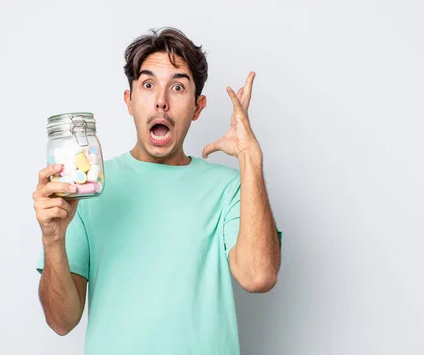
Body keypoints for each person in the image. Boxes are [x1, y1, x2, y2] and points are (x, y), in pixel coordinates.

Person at [32, 27, 283, 355]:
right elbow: (61, 321)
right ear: (129, 100)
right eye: (148, 85)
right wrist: (52, 240)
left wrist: (251, 159)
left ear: (197, 107)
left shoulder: (229, 188)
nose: (161, 101)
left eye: (178, 87)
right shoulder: (87, 189)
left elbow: (259, 276)